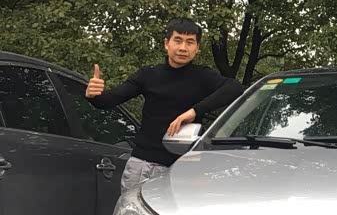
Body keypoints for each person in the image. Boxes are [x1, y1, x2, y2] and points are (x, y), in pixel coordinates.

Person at [86, 17, 244, 193]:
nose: (183, 48)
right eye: (178, 40)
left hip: (185, 168)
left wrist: (194, 111)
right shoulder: (148, 75)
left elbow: (235, 88)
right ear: (166, 44)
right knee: (132, 211)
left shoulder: (202, 76)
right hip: (143, 165)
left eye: (190, 42)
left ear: (197, 48)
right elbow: (107, 101)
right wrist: (94, 95)